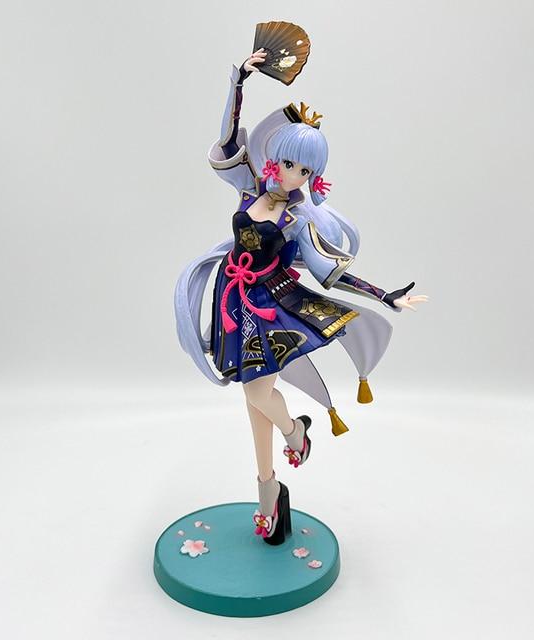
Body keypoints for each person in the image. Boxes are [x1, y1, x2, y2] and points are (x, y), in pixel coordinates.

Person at [175, 49, 428, 545]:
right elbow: (226, 142)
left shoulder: (297, 220)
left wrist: (385, 296)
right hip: (233, 299)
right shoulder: (249, 188)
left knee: (257, 394)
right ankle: (267, 488)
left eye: (303, 171)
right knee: (252, 401)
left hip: (270, 306)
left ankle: (295, 432)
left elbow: (331, 273)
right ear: (275, 156)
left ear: (312, 177)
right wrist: (238, 82)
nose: (292, 174)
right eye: (288, 162)